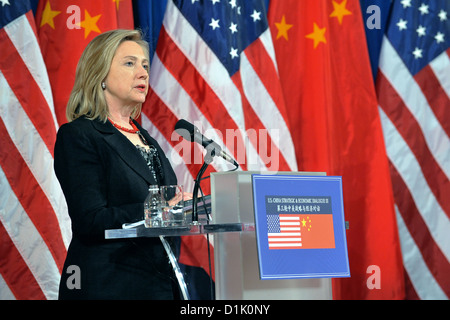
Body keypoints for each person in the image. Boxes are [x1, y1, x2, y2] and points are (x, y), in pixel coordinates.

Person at [54, 29, 181, 299]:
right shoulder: (79, 136)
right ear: (99, 74)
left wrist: (185, 207)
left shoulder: (147, 139)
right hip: (109, 286)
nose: (144, 73)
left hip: (159, 286)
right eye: (129, 63)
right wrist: (157, 209)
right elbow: (90, 221)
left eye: (145, 65)